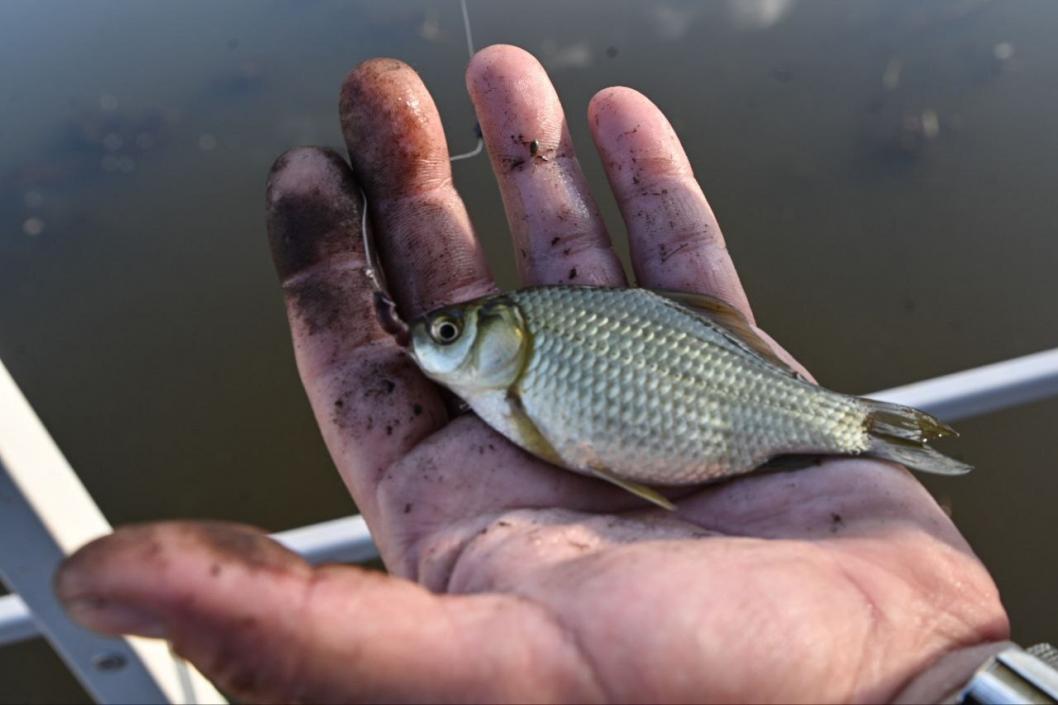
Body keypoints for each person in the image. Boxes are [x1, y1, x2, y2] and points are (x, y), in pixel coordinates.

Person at [55, 45, 1008, 703]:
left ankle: (856, 424)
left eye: (458, 328)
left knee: (840, 416)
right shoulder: (509, 383)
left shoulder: (522, 374)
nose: (435, 341)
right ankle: (863, 432)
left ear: (506, 335)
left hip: (725, 403)